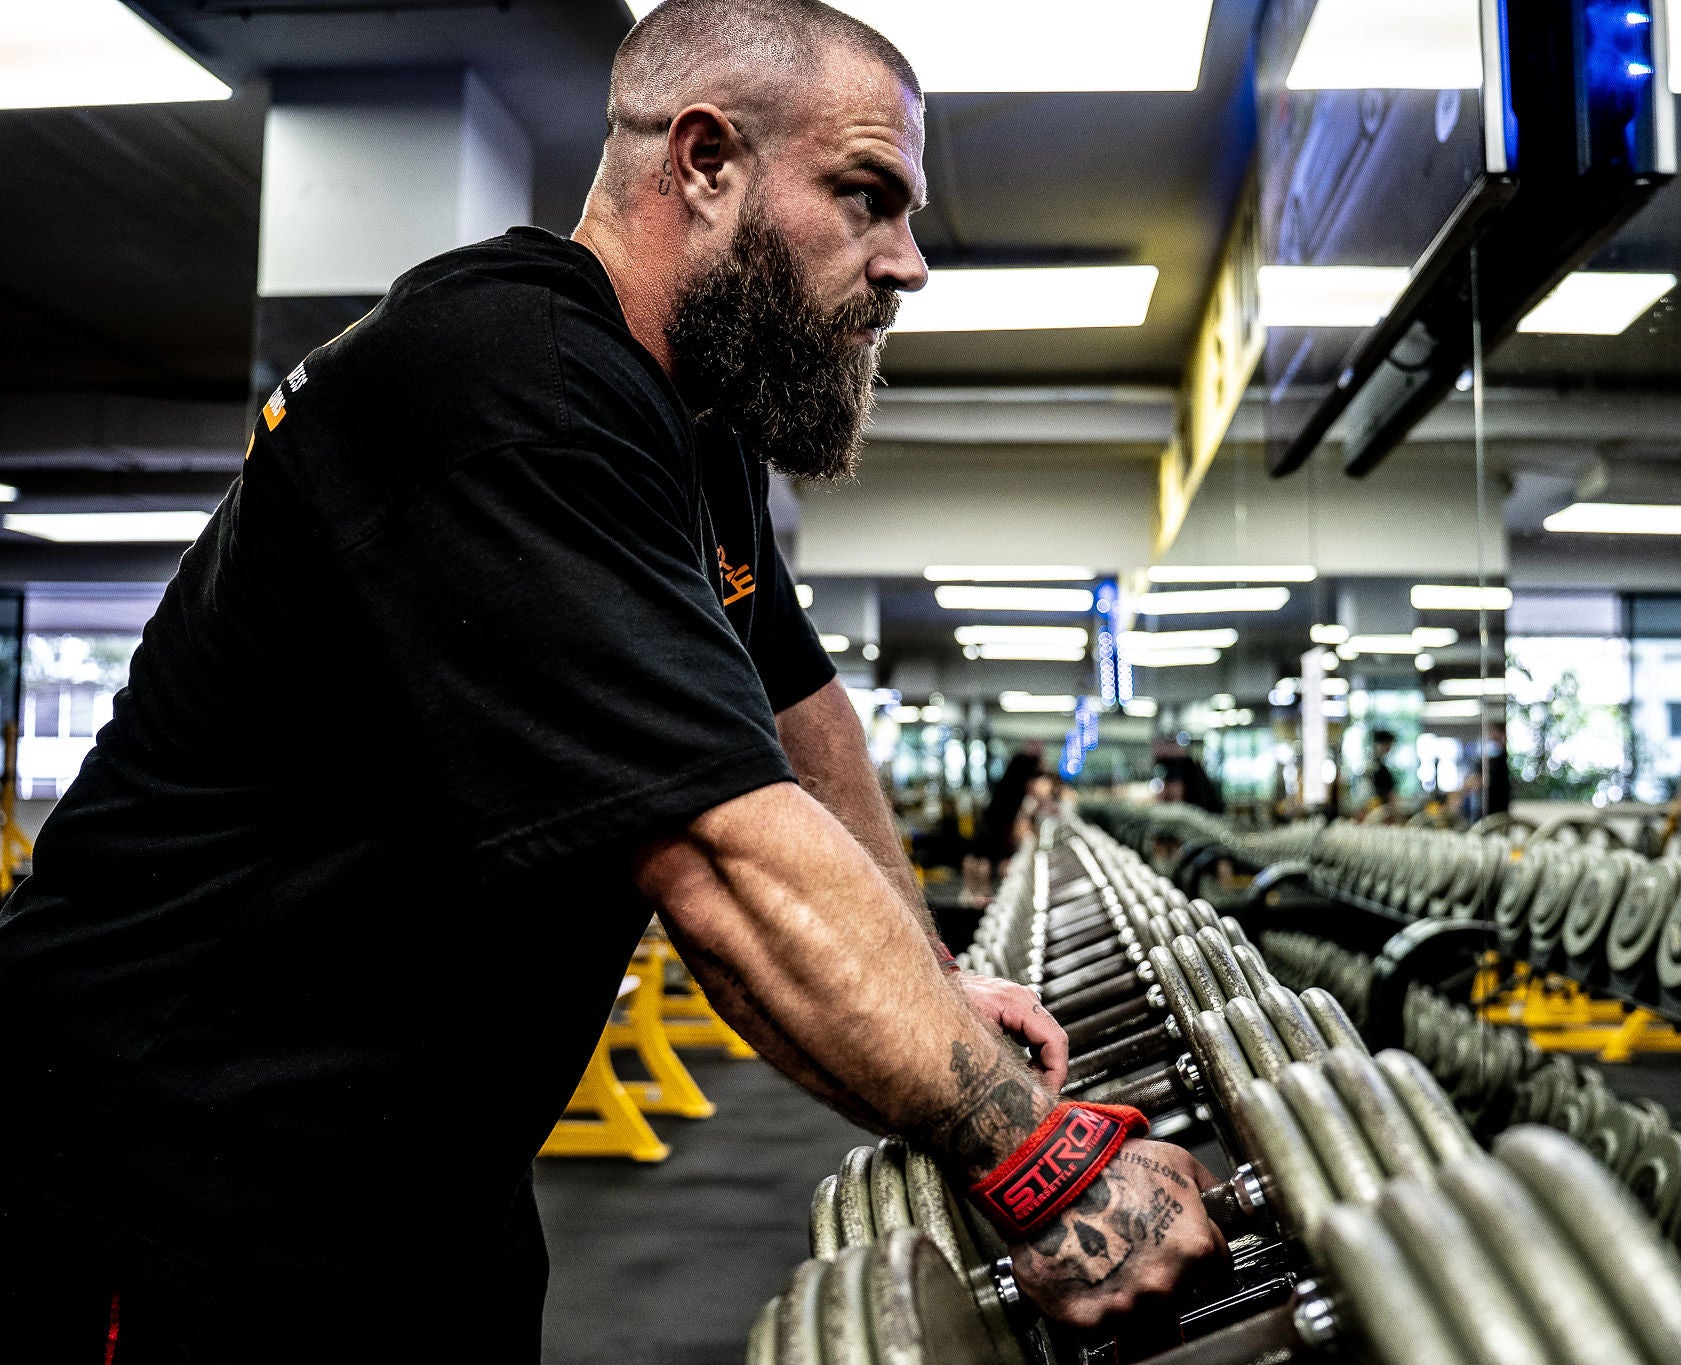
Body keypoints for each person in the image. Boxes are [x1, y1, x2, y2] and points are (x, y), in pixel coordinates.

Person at [0, 4, 1221, 1359]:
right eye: (868, 197)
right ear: (704, 162)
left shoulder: (688, 428)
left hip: (415, 1176)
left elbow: (793, 712)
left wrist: (928, 981)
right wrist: (1036, 1155)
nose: (909, 264)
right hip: (157, 1178)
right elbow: (719, 847)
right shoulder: (516, 382)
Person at [1366, 729, 1398, 809]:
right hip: (1376, 808)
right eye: (1387, 744)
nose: (1389, 747)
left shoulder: (1381, 766)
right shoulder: (1372, 767)